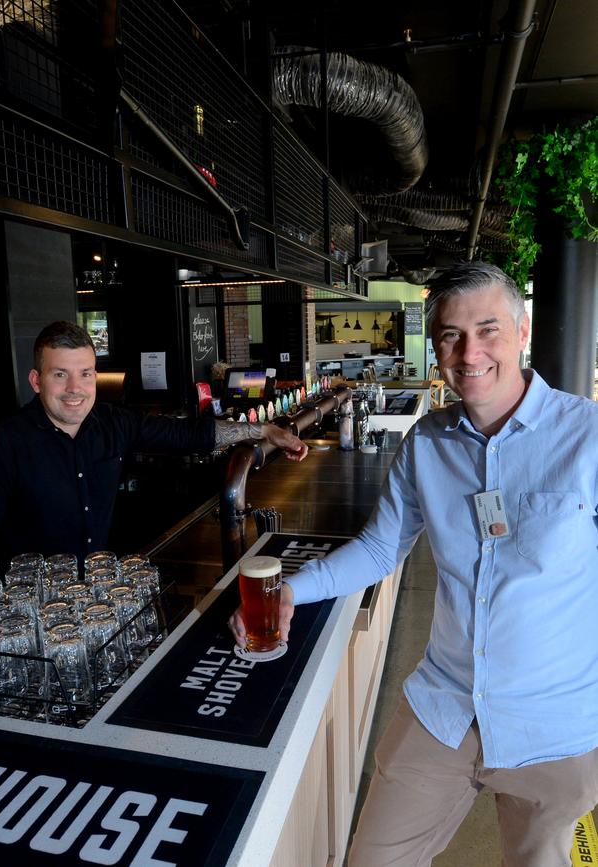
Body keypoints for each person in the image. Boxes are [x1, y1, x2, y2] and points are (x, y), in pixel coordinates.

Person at [230, 261, 598, 867]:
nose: (469, 351)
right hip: (444, 709)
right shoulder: (428, 442)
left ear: (523, 331)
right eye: (451, 334)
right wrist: (292, 592)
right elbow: (380, 548)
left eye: (488, 330)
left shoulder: (584, 437)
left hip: (554, 726)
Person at [0, 321, 307, 571]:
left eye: (85, 373)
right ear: (36, 381)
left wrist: (264, 431)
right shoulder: (2, 446)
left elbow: (190, 436)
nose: (76, 388)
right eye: (60, 374)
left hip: (96, 599)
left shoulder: (112, 422)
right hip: (33, 618)